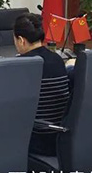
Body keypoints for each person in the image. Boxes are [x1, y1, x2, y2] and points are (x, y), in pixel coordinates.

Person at [13, 13, 69, 157]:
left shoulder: (23, 65)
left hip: (37, 139)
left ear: (21, 40)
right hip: (60, 136)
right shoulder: (57, 59)